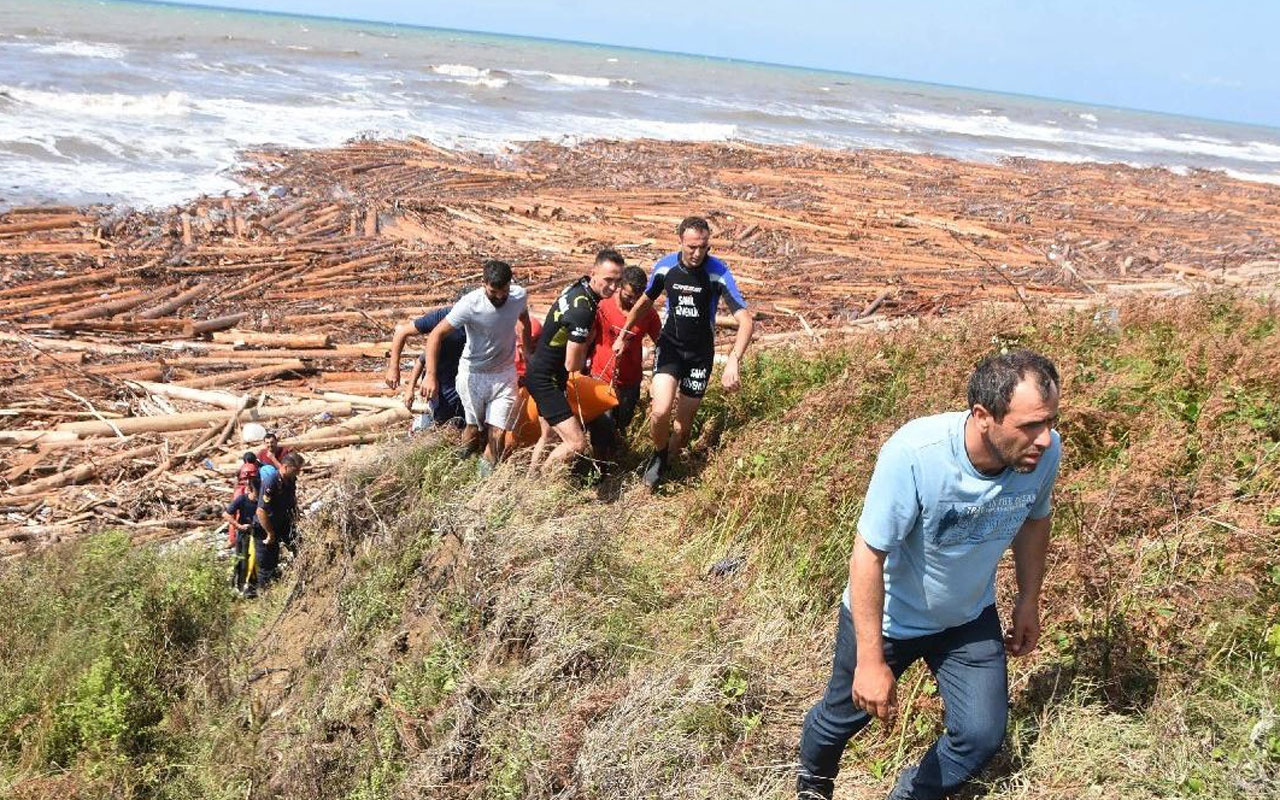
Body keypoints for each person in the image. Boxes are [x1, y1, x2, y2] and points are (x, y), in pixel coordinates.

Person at [795, 350, 1063, 800]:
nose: (1045, 438)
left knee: (980, 734)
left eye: (1051, 421)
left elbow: (1036, 520)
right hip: (892, 620)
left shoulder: (1042, 454)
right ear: (983, 416)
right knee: (843, 717)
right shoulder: (917, 454)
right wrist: (870, 659)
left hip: (967, 617)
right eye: (1030, 425)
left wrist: (1027, 599)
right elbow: (868, 554)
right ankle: (814, 780)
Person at [614, 216, 754, 489]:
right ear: (680, 242)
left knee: (682, 428)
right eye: (692, 247)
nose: (697, 253)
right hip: (670, 348)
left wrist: (733, 361)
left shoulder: (717, 272)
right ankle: (658, 454)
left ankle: (669, 466)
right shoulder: (666, 267)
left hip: (700, 355)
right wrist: (624, 334)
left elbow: (746, 321)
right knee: (660, 410)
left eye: (703, 247)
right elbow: (646, 301)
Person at [422, 260, 534, 470]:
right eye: (494, 291)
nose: (500, 296)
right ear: (483, 284)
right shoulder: (469, 304)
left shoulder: (519, 295)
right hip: (474, 374)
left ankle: (484, 484)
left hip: (504, 373)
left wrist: (527, 351)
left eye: (504, 290)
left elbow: (525, 320)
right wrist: (430, 375)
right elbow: (436, 334)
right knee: (474, 429)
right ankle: (459, 466)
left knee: (498, 432)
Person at [525, 250, 625, 474]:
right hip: (546, 379)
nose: (613, 287)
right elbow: (572, 365)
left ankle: (530, 479)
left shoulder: (578, 289)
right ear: (593, 274)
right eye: (608, 280)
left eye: (618, 281)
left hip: (544, 372)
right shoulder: (583, 310)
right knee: (576, 442)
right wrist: (586, 344)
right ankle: (542, 485)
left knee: (549, 435)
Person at [586, 264, 661, 456]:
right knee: (601, 428)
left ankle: (617, 463)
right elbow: (587, 337)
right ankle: (599, 467)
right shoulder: (603, 306)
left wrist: (658, 378)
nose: (633, 302)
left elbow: (661, 343)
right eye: (628, 297)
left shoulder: (648, 313)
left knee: (621, 427)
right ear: (619, 287)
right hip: (601, 376)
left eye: (637, 298)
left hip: (630, 381)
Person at [387, 303, 467, 430]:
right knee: (443, 420)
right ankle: (421, 428)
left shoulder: (483, 319)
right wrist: (395, 370)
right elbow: (404, 335)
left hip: (467, 377)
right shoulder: (441, 317)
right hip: (442, 380)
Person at [253, 452, 303, 593]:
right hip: (265, 527)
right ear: (286, 467)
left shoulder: (291, 479)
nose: (298, 472)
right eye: (296, 469)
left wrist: (296, 515)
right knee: (267, 565)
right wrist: (270, 533)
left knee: (299, 545)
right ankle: (264, 598)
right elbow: (261, 511)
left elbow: (291, 499)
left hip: (283, 522)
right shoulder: (271, 482)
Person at [226, 476, 260, 594]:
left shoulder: (261, 501)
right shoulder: (242, 500)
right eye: (257, 492)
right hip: (244, 534)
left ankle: (252, 585)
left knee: (255, 560)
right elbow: (226, 514)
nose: (258, 495)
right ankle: (238, 585)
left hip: (257, 534)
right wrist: (238, 526)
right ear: (250, 490)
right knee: (242, 560)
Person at [228, 451, 260, 547]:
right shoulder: (256, 469)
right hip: (246, 492)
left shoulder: (244, 469)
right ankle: (233, 538)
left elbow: (237, 481)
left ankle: (232, 539)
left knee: (235, 513)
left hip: (243, 491)